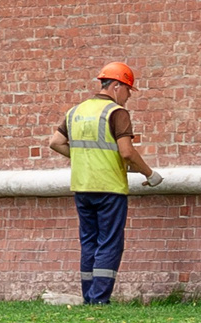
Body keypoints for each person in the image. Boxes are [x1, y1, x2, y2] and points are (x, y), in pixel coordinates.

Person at [47, 62, 158, 305]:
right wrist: (149, 174)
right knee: (109, 243)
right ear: (117, 86)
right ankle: (99, 300)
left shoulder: (75, 111)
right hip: (109, 188)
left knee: (89, 242)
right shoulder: (116, 113)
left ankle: (89, 297)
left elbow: (55, 142)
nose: (128, 96)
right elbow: (127, 152)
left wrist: (82, 158)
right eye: (128, 90)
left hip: (82, 187)